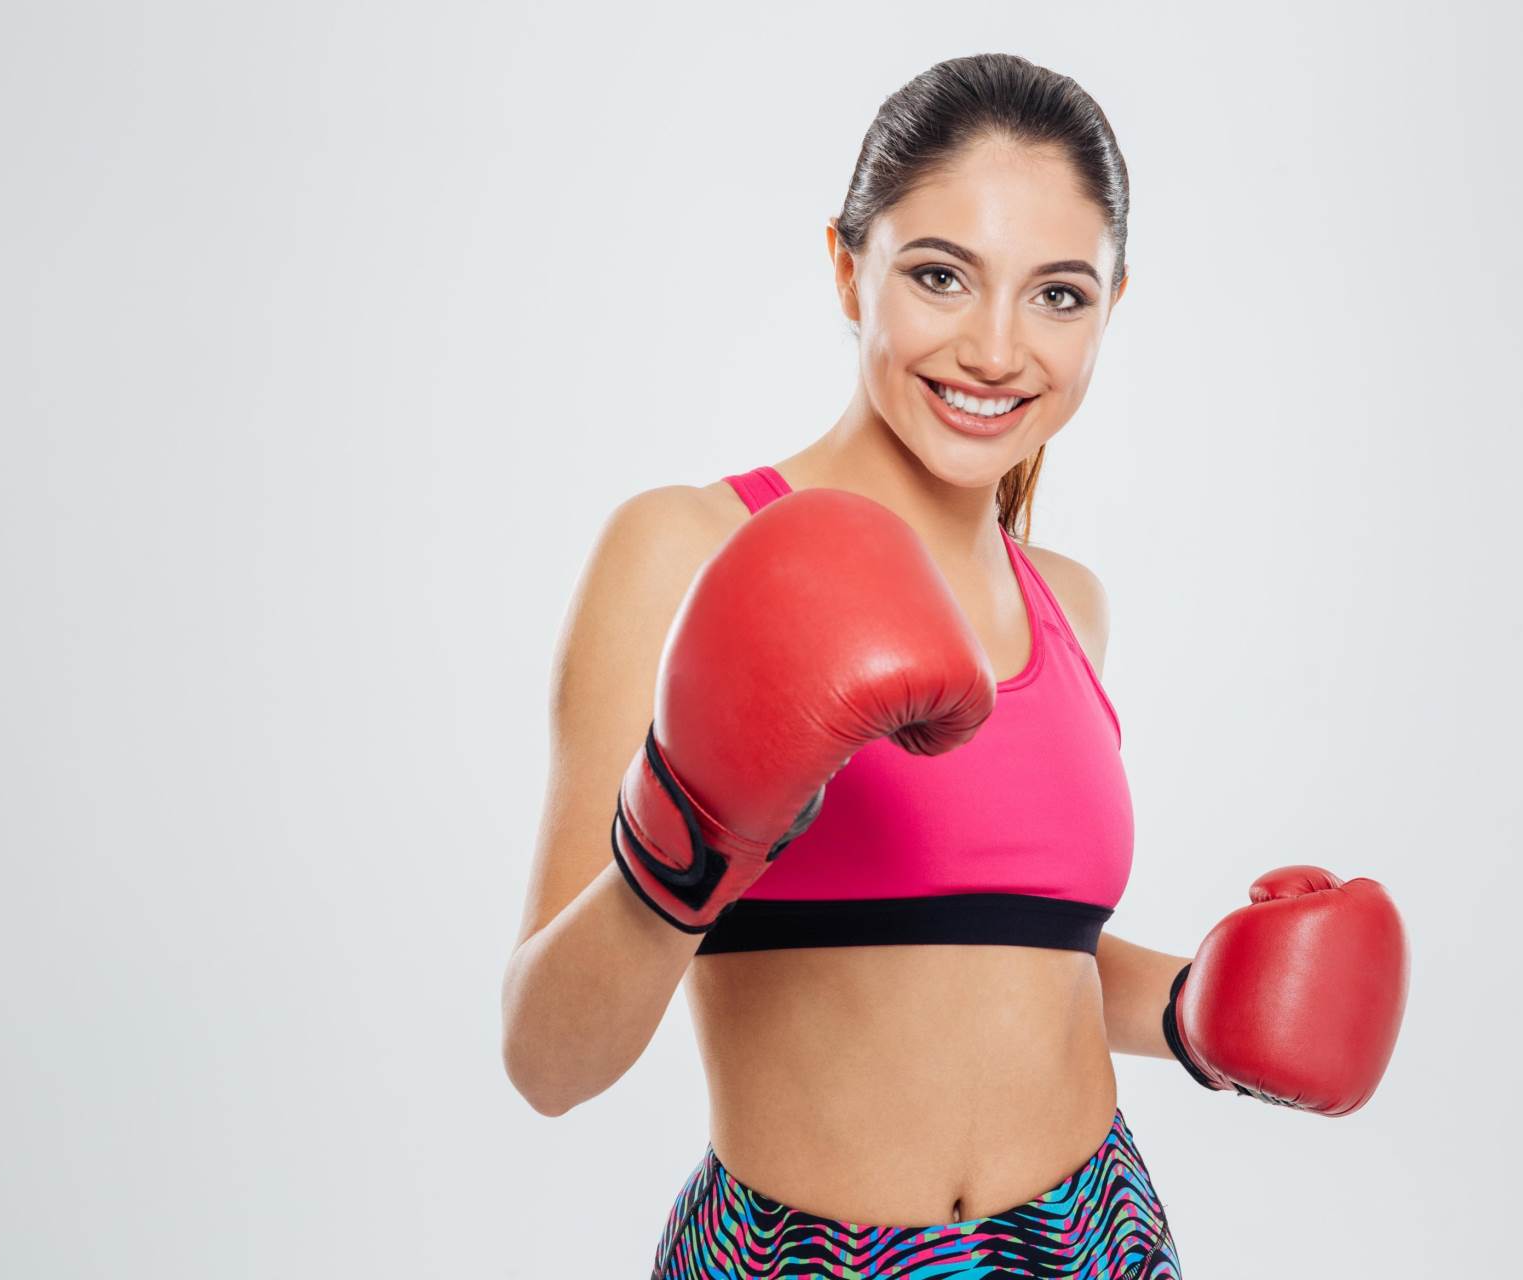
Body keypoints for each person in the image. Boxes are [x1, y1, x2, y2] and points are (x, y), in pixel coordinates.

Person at [501, 53, 1407, 1278]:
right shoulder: (686, 549)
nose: (995, 348)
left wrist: (1197, 1007)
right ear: (847, 267)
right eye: (941, 275)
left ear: (1111, 306)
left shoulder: (1069, 603)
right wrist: (689, 835)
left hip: (1099, 1237)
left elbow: (1015, 964)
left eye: (1058, 295)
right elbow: (546, 1060)